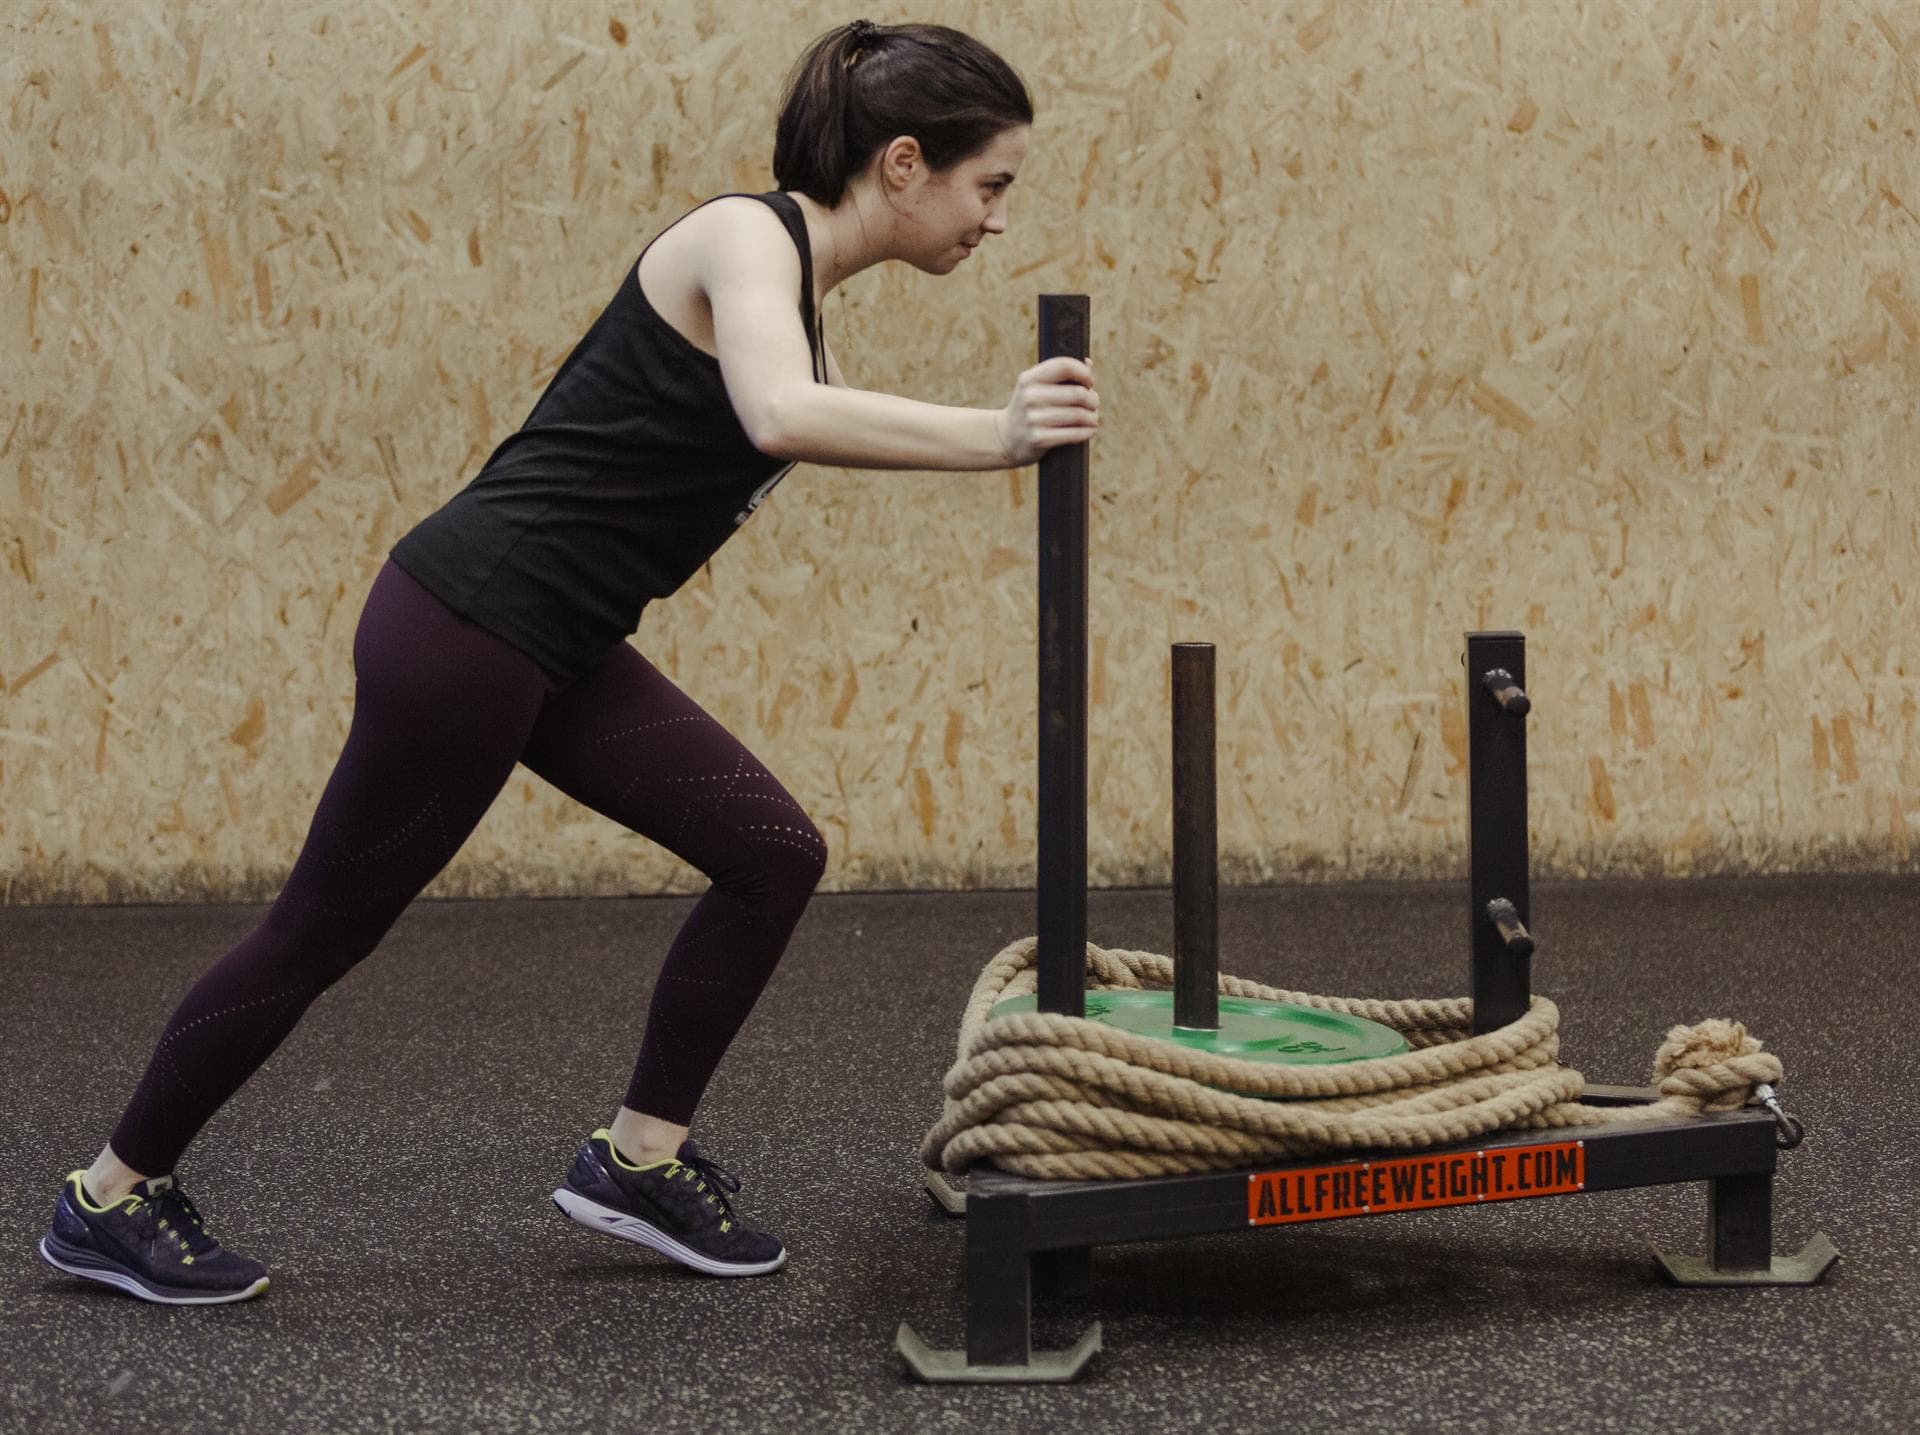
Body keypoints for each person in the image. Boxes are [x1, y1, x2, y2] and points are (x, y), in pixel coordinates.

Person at [37, 18, 1098, 1305]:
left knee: (772, 851)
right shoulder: (741, 240)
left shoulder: (803, 304)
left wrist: (987, 438)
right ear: (904, 162)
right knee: (321, 928)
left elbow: (801, 401)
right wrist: (996, 433)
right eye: (992, 186)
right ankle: (109, 1195)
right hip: (464, 631)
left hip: (553, 643)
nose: (995, 220)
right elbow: (777, 413)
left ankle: (638, 1157)